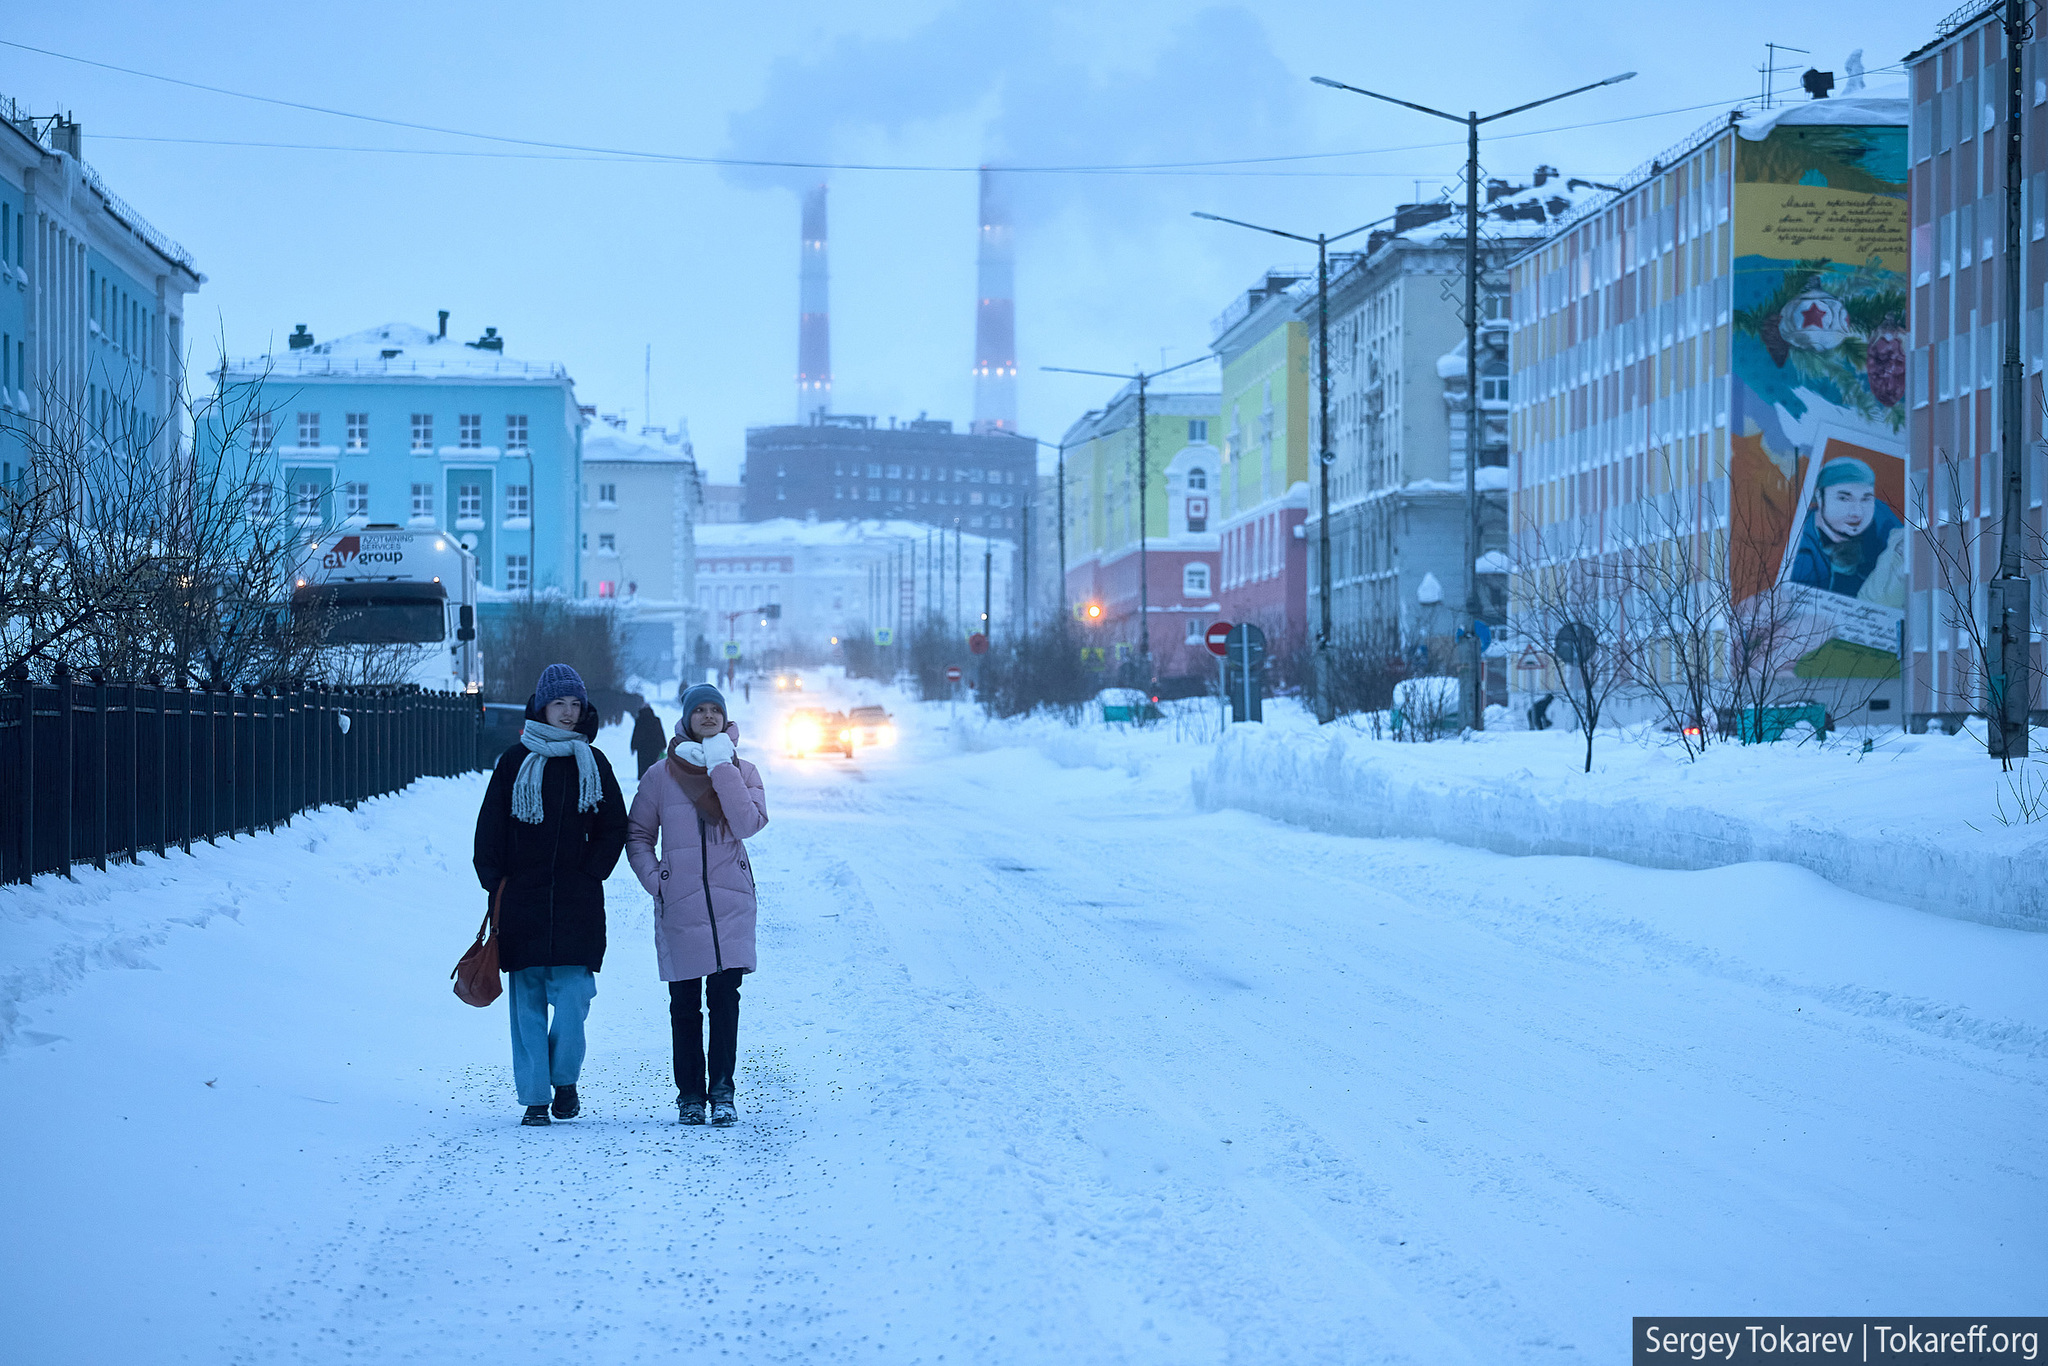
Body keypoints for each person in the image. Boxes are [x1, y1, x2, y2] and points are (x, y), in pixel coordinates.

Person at [473, 663, 627, 1127]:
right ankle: (537, 1097)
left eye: (575, 704)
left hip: (577, 905)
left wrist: (591, 871)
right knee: (527, 1006)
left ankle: (564, 1080)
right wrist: (498, 882)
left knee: (576, 997)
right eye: (559, 703)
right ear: (541, 706)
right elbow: (490, 829)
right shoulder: (514, 762)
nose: (568, 712)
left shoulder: (594, 763)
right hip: (523, 903)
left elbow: (613, 826)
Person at [626, 682, 768, 1127]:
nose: (707, 716)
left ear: (725, 719)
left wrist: (720, 764)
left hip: (731, 902)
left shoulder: (743, 771)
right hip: (681, 904)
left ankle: (722, 1091)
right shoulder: (660, 775)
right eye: (699, 710)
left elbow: (747, 823)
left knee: (726, 1000)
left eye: (715, 710)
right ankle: (690, 1095)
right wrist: (658, 881)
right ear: (686, 718)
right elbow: (638, 836)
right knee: (684, 1005)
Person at [1788, 457, 1904, 600]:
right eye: (1843, 498)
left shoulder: (1881, 518)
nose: (1857, 512)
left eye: (1866, 498)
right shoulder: (1800, 548)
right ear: (1819, 496)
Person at [630, 697, 666, 778]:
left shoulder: (639, 720)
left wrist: (633, 746)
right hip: (654, 748)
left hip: (642, 748)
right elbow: (660, 733)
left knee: (643, 766)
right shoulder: (656, 720)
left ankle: (643, 777)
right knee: (653, 764)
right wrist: (663, 745)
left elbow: (636, 734)